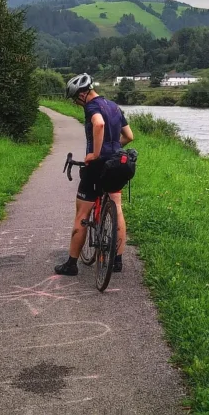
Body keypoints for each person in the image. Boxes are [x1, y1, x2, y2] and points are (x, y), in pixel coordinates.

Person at [55, 73, 134, 276]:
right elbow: (129, 136)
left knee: (82, 214)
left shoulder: (92, 106)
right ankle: (117, 261)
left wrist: (95, 154)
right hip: (117, 164)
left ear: (82, 94)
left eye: (75, 98)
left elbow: (98, 124)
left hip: (98, 166)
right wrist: (113, 148)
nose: (76, 102)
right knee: (116, 208)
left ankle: (71, 264)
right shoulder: (114, 106)